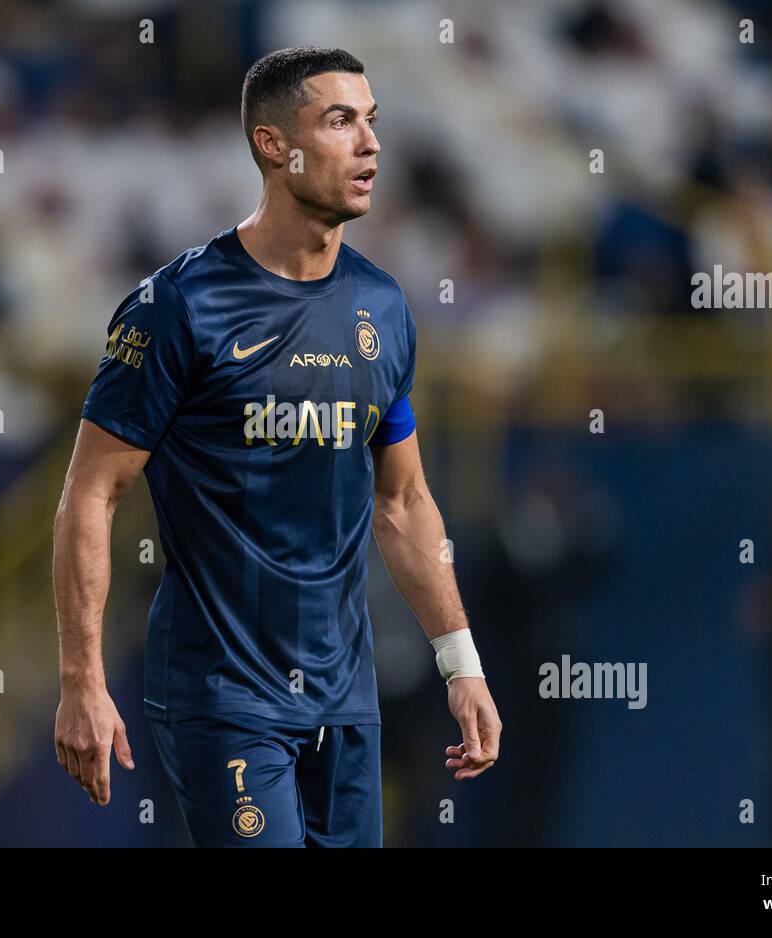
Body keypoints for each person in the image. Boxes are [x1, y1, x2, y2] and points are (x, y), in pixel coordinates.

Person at [52, 47, 500, 847]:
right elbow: (91, 493)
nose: (369, 144)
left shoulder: (382, 307)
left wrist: (460, 663)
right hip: (223, 694)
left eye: (371, 122)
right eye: (339, 121)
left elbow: (402, 501)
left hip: (344, 694)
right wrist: (82, 679)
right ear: (272, 145)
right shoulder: (178, 307)